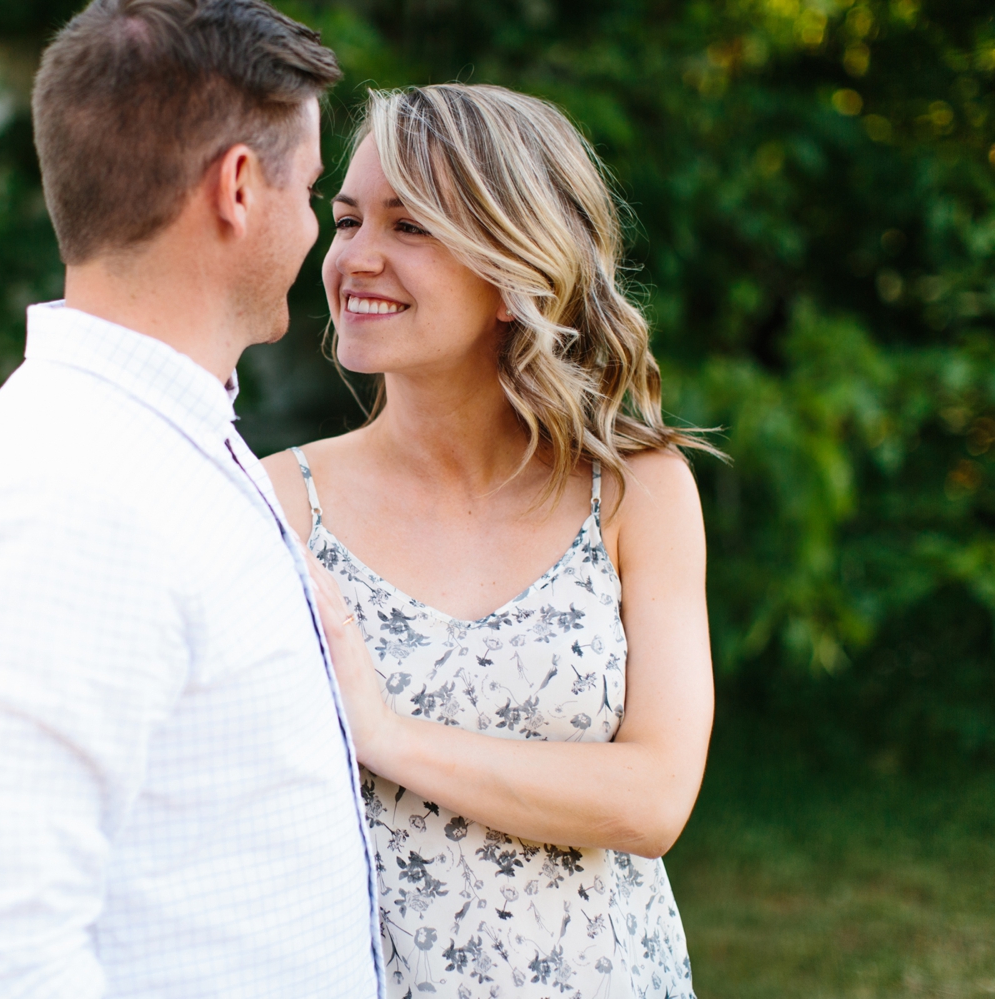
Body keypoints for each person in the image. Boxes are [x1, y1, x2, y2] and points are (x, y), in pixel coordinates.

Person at [0, 2, 384, 995]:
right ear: (239, 188)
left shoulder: (169, 434)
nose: (314, 232)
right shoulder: (63, 495)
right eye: (314, 192)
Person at [262, 84, 715, 997]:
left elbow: (655, 797)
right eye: (348, 220)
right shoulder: (274, 504)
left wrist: (387, 735)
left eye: (411, 227)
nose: (357, 257)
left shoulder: (636, 490)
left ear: (514, 272)